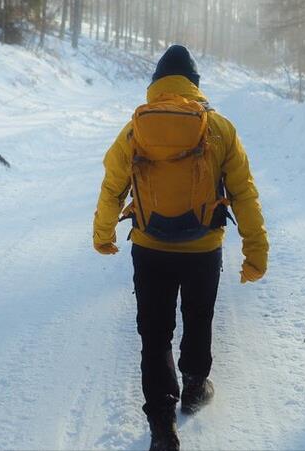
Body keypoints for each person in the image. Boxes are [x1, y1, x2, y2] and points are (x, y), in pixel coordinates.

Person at [93, 44, 269, 451]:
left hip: (150, 246)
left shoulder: (134, 129)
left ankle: (161, 424)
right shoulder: (219, 127)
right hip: (203, 247)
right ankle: (193, 386)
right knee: (199, 315)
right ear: (195, 84)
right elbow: (244, 193)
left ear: (156, 84)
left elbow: (111, 188)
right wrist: (255, 252)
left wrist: (104, 235)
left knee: (154, 333)